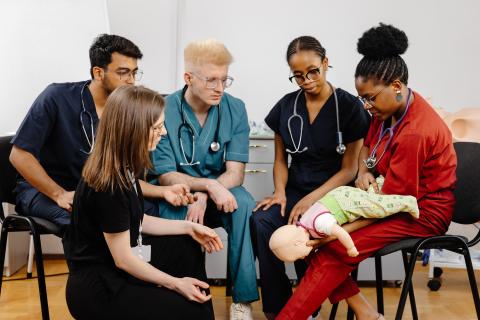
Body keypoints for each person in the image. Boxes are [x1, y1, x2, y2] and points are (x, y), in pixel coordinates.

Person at [277, 23, 457, 320]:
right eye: (363, 98)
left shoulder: (417, 132)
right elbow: (365, 149)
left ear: (396, 87)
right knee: (312, 241)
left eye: (370, 98)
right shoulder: (387, 110)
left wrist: (336, 233)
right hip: (384, 199)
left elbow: (392, 203)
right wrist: (362, 171)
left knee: (333, 249)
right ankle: (367, 314)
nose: (366, 105)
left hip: (420, 211)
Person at [63, 85, 223, 319]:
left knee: (186, 245)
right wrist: (175, 283)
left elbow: (138, 220)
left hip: (116, 265)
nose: (164, 133)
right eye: (157, 128)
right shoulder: (109, 183)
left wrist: (190, 227)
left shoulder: (124, 167)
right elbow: (124, 260)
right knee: (191, 311)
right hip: (100, 288)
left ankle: (193, 299)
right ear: (133, 130)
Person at [9, 34, 190, 229]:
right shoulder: (56, 98)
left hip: (98, 194)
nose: (131, 81)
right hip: (45, 192)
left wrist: (162, 191)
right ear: (98, 73)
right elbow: (19, 155)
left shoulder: (124, 111)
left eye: (134, 73)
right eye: (123, 72)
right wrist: (58, 194)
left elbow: (122, 177)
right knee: (86, 220)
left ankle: (135, 259)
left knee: (148, 211)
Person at [250, 35, 370, 318]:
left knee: (307, 230)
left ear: (326, 64)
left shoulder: (349, 107)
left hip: (333, 195)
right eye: (298, 76)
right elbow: (281, 159)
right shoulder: (286, 106)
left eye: (313, 71)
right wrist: (280, 192)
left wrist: (310, 200)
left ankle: (308, 307)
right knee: (262, 222)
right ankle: (277, 308)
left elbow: (349, 169)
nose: (307, 80)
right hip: (294, 187)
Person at [148, 39, 259, 319]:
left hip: (220, 190)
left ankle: (242, 300)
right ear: (188, 78)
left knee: (243, 203)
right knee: (172, 210)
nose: (219, 88)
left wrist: (208, 192)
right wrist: (203, 187)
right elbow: (165, 175)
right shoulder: (162, 108)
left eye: (224, 80)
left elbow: (235, 173)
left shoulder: (235, 108)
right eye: (211, 80)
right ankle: (180, 292)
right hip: (179, 192)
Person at [269, 175, 420, 262]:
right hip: (340, 196)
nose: (301, 259)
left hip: (348, 202)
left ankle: (407, 202)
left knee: (378, 209)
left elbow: (340, 232)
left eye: (297, 257)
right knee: (371, 200)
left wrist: (351, 247)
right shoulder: (304, 223)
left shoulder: (318, 224)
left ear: (297, 243)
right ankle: (379, 183)